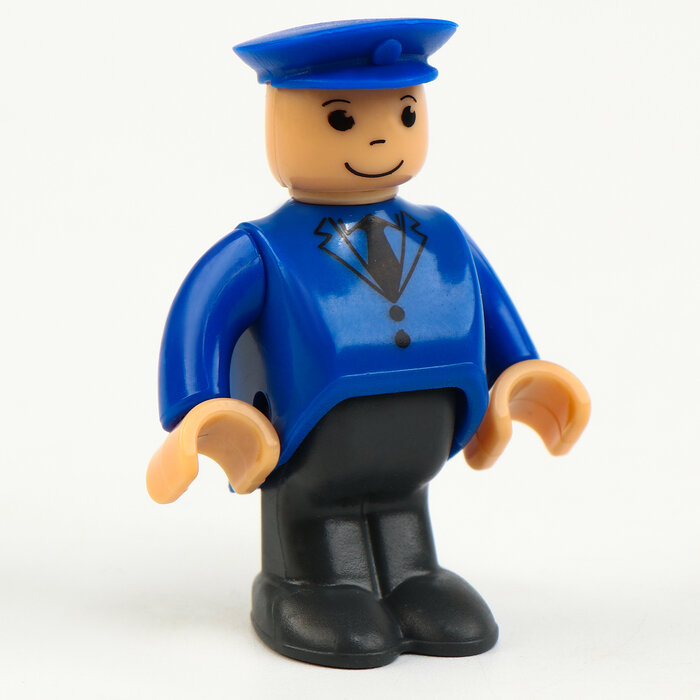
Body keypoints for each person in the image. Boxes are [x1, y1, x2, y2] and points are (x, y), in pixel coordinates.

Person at [146, 18, 590, 668]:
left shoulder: (444, 235)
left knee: (403, 510)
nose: (381, 135)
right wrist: (199, 406)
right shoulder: (264, 249)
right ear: (281, 123)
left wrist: (521, 370)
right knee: (320, 517)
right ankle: (307, 583)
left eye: (405, 112)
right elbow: (199, 315)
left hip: (421, 441)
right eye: (342, 120)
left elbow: (491, 306)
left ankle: (413, 577)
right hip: (312, 442)